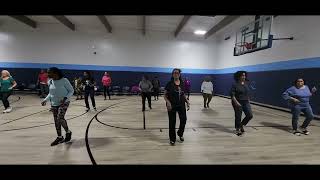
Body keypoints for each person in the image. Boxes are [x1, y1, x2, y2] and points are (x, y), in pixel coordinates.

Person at [41, 67, 74, 146]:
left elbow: (71, 91)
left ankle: (68, 132)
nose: (48, 74)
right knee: (56, 121)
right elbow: (51, 93)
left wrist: (65, 98)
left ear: (56, 73)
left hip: (64, 103)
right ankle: (59, 137)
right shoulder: (50, 82)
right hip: (54, 103)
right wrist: (45, 100)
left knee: (60, 118)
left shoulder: (64, 80)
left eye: (49, 73)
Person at [164, 68, 190, 145]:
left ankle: (180, 133)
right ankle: (172, 139)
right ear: (172, 74)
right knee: (172, 122)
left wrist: (187, 102)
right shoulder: (169, 84)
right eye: (174, 73)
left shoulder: (182, 83)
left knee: (184, 120)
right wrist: (168, 102)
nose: (176, 74)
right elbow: (165, 95)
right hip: (171, 105)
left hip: (181, 105)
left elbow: (183, 94)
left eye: (177, 73)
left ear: (179, 74)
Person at [230, 71, 253, 136]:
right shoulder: (235, 84)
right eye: (242, 75)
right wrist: (236, 102)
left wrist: (248, 100)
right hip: (237, 101)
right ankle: (237, 129)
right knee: (238, 116)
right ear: (238, 76)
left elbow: (247, 92)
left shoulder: (246, 83)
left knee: (250, 115)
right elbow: (232, 95)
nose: (244, 77)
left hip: (246, 101)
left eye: (244, 75)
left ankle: (241, 125)